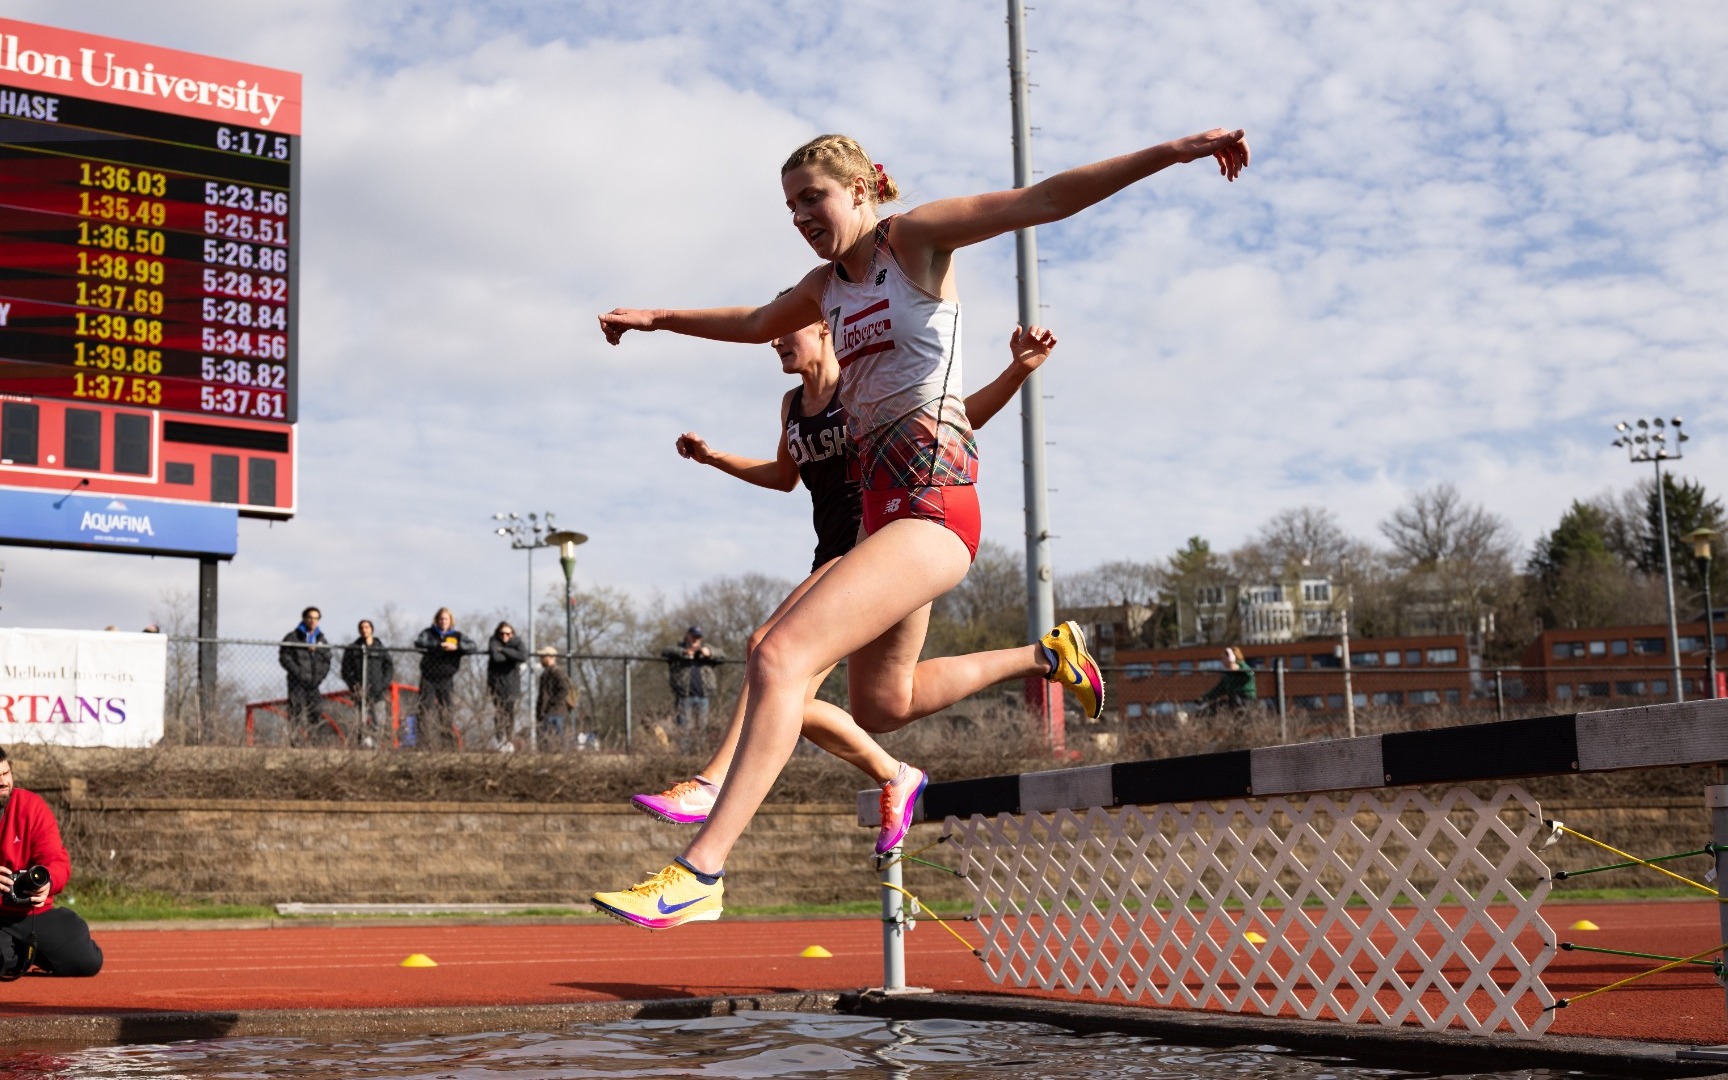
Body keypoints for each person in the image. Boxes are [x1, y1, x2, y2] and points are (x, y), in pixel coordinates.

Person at [593, 126, 1245, 928]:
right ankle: (1047, 655)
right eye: (790, 205)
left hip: (935, 502)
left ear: (862, 191)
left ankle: (702, 869)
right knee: (882, 703)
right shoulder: (822, 287)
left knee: (777, 652)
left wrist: (1174, 152)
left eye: (814, 198)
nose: (800, 215)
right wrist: (657, 317)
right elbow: (757, 319)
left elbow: (1043, 200)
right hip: (884, 514)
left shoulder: (916, 243)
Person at [632, 317, 1062, 850]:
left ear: (823, 329)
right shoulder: (791, 405)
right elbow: (784, 477)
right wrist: (714, 457)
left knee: (767, 649)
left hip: (877, 546)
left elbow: (953, 421)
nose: (774, 340)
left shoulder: (860, 387)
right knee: (866, 705)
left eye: (786, 328)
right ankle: (1024, 672)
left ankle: (712, 784)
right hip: (837, 558)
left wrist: (1017, 369)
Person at [0, 748, 102, 979]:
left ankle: (23, 951)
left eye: (6, 773)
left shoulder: (31, 807)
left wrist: (49, 881)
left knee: (87, 962)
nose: (3, 782)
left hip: (33, 911)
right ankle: (17, 954)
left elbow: (56, 859)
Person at [413, 608, 476, 750]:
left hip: (446, 679)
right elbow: (418, 643)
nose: (443, 621)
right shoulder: (428, 633)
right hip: (428, 677)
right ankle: (423, 744)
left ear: (451, 620)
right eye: (441, 619)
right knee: (425, 710)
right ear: (436, 620)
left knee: (446, 711)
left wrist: (457, 647)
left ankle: (448, 745)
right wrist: (438, 645)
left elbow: (473, 646)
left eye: (446, 619)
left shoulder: (457, 635)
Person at [277, 606, 333, 745]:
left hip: (314, 683)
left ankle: (315, 742)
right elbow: (285, 658)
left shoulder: (322, 640)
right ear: (304, 619)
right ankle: (294, 741)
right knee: (296, 711)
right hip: (297, 682)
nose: (313, 621)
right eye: (310, 617)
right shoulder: (292, 637)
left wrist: (319, 678)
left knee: (316, 713)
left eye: (316, 618)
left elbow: (327, 661)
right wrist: (299, 673)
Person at [340, 619, 395, 749]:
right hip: (359, 692)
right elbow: (345, 670)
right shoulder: (353, 649)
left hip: (377, 692)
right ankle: (361, 747)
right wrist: (354, 686)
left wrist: (383, 684)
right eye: (362, 627)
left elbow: (389, 667)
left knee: (379, 721)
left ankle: (375, 747)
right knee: (360, 722)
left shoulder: (380, 648)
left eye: (367, 627)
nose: (364, 630)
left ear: (372, 629)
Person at [661, 626, 721, 734]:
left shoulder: (705, 649)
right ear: (687, 636)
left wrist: (710, 652)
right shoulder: (679, 648)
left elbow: (722, 654)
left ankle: (700, 750)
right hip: (685, 695)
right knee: (684, 727)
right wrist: (684, 652)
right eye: (693, 636)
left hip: (703, 695)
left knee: (702, 727)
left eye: (697, 637)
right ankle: (684, 751)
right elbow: (665, 651)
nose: (695, 639)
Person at [485, 622, 531, 752]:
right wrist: (512, 655)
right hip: (496, 685)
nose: (505, 636)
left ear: (512, 634)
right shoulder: (493, 641)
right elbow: (496, 657)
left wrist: (504, 650)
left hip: (512, 685)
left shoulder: (517, 642)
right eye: (502, 633)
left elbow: (523, 656)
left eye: (508, 634)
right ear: (498, 634)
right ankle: (500, 741)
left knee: (510, 714)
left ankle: (509, 740)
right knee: (499, 714)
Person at [535, 645, 577, 746]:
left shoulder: (557, 672)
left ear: (551, 657)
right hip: (548, 712)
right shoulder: (546, 673)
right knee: (546, 740)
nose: (540, 659)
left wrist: (552, 703)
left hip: (555, 711)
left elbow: (564, 689)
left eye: (543, 656)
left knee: (556, 739)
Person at [1197, 646, 1257, 713]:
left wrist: (1234, 667)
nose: (1222, 661)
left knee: (1237, 706)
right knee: (1208, 711)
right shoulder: (1227, 675)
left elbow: (1249, 674)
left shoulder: (1243, 667)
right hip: (1232, 701)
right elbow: (1218, 689)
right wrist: (1204, 698)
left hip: (1245, 701)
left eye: (1224, 658)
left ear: (1230, 658)